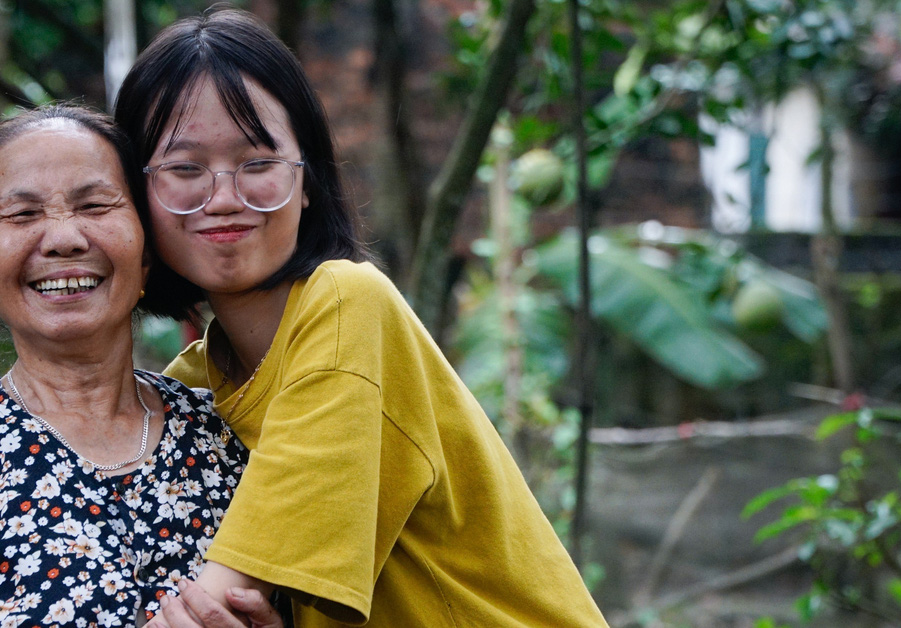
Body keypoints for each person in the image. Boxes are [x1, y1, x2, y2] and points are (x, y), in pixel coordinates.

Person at [114, 9, 609, 628]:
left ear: (309, 182)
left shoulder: (347, 302)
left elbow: (207, 607)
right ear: (137, 198)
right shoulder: (191, 386)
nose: (222, 197)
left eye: (259, 163)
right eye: (184, 169)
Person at [0, 104, 281, 628]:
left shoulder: (233, 435)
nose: (64, 238)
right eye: (22, 215)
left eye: (96, 205)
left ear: (146, 253)